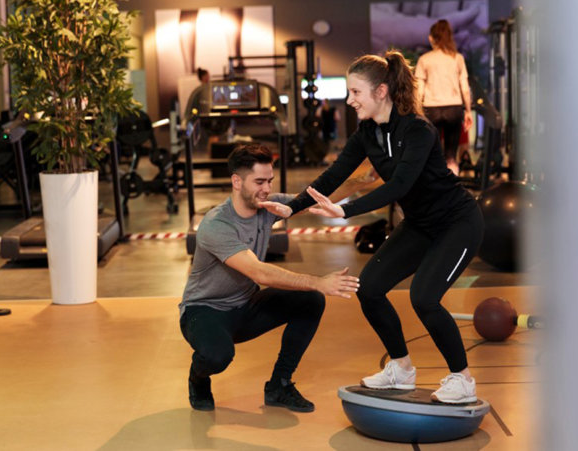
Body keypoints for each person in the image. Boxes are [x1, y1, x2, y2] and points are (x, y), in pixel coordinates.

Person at [261, 52, 484, 404]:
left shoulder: (418, 130)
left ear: (381, 91)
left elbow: (399, 187)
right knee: (371, 289)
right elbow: (332, 177)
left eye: (355, 93)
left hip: (457, 223)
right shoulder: (367, 132)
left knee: (424, 299)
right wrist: (291, 208)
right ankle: (402, 369)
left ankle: (463, 379)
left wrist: (344, 211)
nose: (349, 101)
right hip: (420, 225)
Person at [180, 143, 360, 412]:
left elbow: (315, 198)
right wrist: (319, 281)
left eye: (270, 181)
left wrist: (363, 182)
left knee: (310, 301)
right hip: (204, 311)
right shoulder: (217, 224)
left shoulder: (267, 206)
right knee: (218, 355)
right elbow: (259, 272)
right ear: (236, 181)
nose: (266, 188)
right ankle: (198, 378)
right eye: (259, 181)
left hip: (245, 307)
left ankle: (280, 385)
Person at [415, 19, 473, 175]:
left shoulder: (424, 59)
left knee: (432, 155)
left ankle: (435, 190)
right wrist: (468, 111)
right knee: (451, 156)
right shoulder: (457, 58)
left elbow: (419, 90)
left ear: (431, 38)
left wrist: (417, 111)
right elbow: (465, 88)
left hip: (431, 109)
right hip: (453, 108)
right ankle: (451, 190)